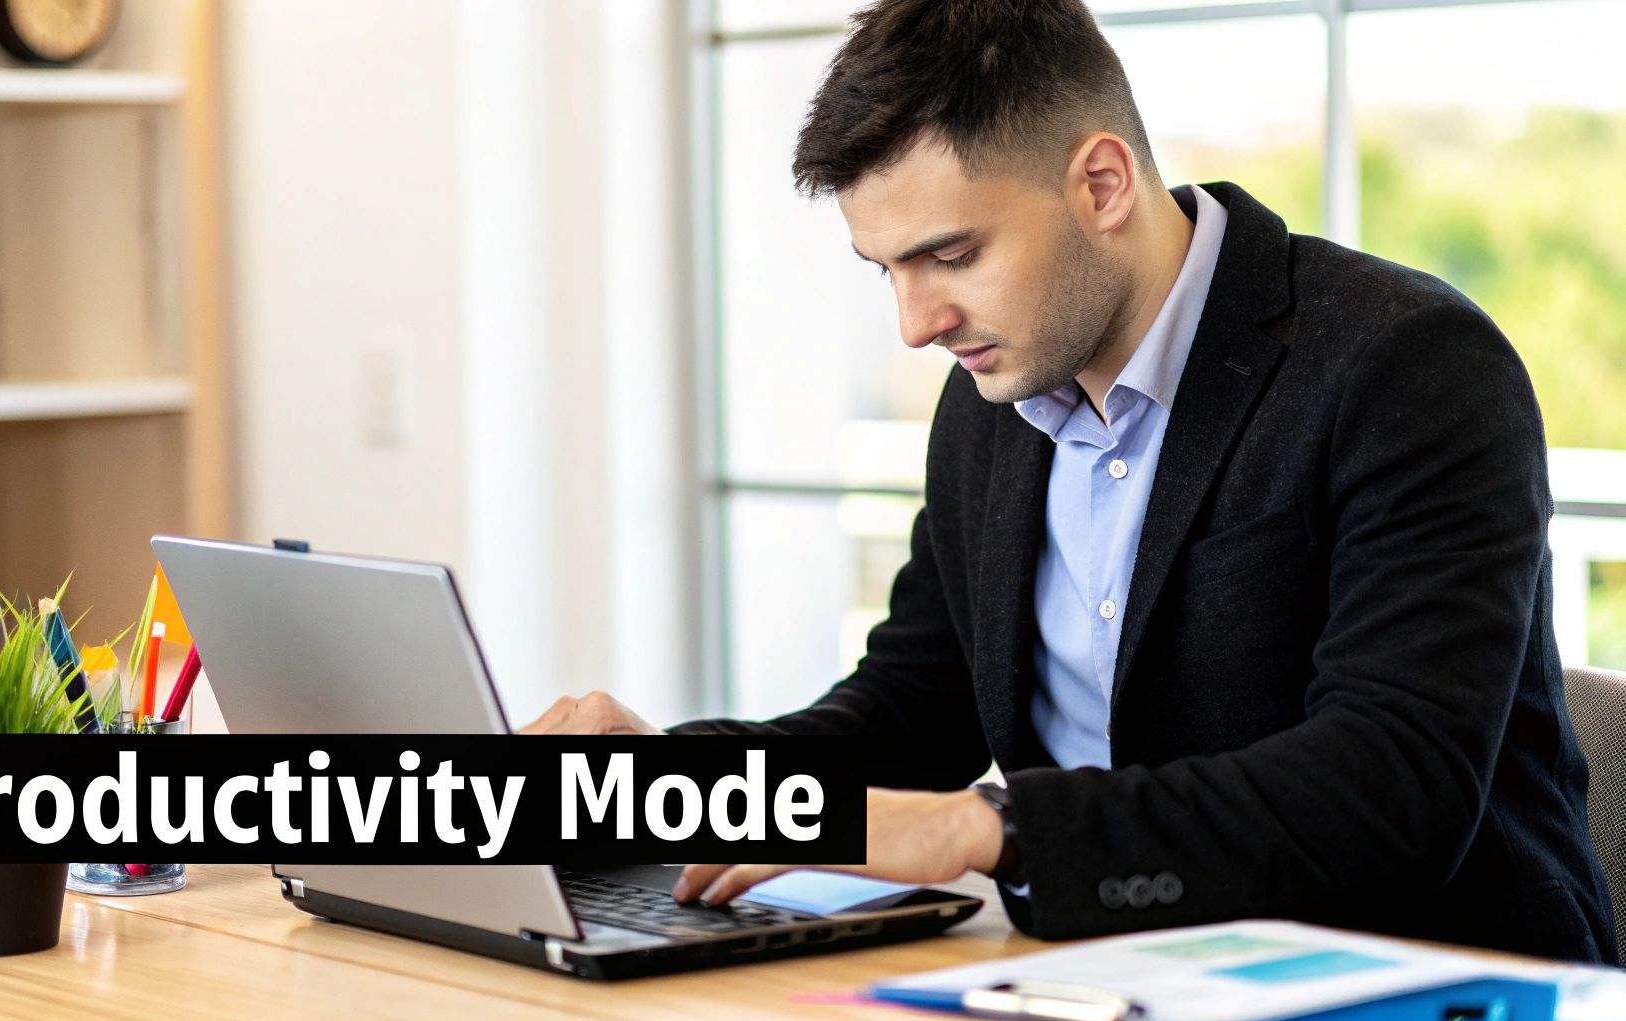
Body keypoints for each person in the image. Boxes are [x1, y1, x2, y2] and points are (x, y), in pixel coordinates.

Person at [524, 0, 1616, 963]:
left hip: (1418, 977)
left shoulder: (1405, 363)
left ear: (1099, 181)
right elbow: (911, 707)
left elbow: (1390, 788)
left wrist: (985, 828)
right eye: (886, 269)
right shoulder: (994, 402)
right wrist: (675, 785)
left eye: (949, 255)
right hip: (1101, 973)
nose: (914, 323)